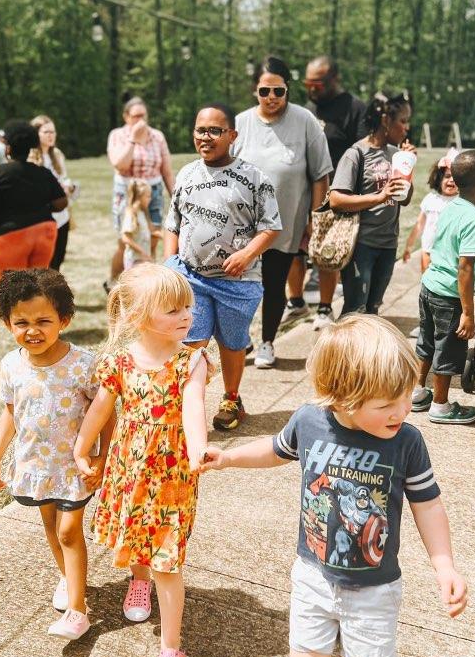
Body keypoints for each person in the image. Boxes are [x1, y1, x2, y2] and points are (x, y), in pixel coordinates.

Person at [199, 315, 467, 657]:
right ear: (341, 398)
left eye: (407, 396)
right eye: (387, 403)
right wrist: (231, 456)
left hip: (375, 586)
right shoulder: (310, 421)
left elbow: (427, 503)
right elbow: (276, 450)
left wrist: (443, 564)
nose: (402, 410)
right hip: (313, 574)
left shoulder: (406, 442)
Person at [73, 264, 214, 657]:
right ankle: (138, 581)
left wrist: (198, 448)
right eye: (172, 309)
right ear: (138, 316)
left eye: (187, 307)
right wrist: (82, 447)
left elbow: (194, 409)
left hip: (172, 477)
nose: (185, 316)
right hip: (128, 469)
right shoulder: (118, 361)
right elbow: (100, 410)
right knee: (135, 535)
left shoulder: (192, 360)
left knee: (167, 560)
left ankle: (172, 649)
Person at [0, 269, 113, 641]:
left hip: (74, 465)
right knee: (52, 528)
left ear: (64, 320)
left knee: (70, 531)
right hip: (35, 465)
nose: (32, 330)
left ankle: (78, 610)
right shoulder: (11, 365)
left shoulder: (82, 364)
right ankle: (70, 579)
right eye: (21, 322)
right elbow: (10, 412)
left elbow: (106, 414)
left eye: (43, 321)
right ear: (7, 323)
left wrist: (101, 456)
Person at [163, 102, 281, 430]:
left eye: (215, 131)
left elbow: (271, 226)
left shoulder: (254, 178)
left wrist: (246, 255)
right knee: (191, 344)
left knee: (232, 343)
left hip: (238, 283)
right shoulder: (186, 173)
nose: (207, 137)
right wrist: (170, 264)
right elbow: (172, 223)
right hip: (192, 278)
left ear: (232, 135)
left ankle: (231, 397)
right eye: (201, 130)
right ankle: (186, 409)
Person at [233, 55, 332, 369]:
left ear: (288, 90)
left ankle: (267, 342)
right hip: (242, 225)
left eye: (278, 91)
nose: (272, 98)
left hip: (285, 222)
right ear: (255, 91)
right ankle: (242, 338)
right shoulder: (240, 123)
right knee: (241, 284)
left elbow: (320, 174)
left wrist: (315, 217)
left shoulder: (305, 122)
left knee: (273, 284)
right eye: (265, 91)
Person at [411, 149, 475, 424]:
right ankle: (441, 405)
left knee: (426, 342)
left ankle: (418, 391)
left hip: (429, 286)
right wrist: (468, 314)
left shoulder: (450, 208)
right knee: (448, 349)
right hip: (449, 295)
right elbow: (465, 269)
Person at [291, 56, 368, 326]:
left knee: (327, 248)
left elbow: (363, 152)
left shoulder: (355, 108)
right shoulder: (305, 109)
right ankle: (296, 302)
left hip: (335, 192)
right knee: (295, 249)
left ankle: (325, 308)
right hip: (302, 190)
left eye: (317, 84)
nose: (311, 89)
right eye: (307, 84)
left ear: (334, 79)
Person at [329, 92, 415, 316]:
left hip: (388, 244)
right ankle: (342, 351)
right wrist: (378, 197)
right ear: (386, 121)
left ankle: (365, 352)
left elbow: (403, 200)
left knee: (373, 308)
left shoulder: (396, 154)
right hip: (361, 245)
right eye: (403, 121)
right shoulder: (356, 154)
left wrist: (408, 168)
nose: (406, 128)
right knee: (355, 308)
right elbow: (336, 200)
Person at [0, 120, 66, 277]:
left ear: (8, 148)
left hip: (10, 234)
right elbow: (61, 203)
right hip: (44, 230)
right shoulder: (43, 172)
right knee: (37, 284)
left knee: (11, 289)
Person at [106, 97, 175, 286]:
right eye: (135, 116)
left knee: (152, 238)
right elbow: (120, 165)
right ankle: (113, 282)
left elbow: (167, 171)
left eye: (143, 115)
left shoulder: (157, 136)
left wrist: (177, 198)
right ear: (126, 117)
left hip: (152, 192)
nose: (140, 120)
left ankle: (145, 283)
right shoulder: (117, 135)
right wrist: (133, 140)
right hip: (128, 193)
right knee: (126, 241)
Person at [29, 115, 75, 272]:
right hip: (43, 217)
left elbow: (64, 177)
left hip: (62, 217)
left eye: (53, 132)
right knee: (42, 263)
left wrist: (68, 186)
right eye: (46, 132)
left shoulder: (57, 154)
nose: (51, 135)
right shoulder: (32, 157)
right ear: (36, 134)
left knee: (58, 259)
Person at [402, 150, 459, 273]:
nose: (451, 180)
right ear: (439, 179)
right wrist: (408, 247)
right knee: (427, 280)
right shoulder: (430, 199)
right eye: (447, 176)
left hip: (450, 253)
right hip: (428, 250)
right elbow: (419, 226)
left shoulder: (460, 202)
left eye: (455, 177)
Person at [121, 179, 161, 269]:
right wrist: (143, 252)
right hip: (134, 261)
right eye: (148, 196)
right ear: (139, 196)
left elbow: (145, 232)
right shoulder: (131, 214)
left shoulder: (142, 213)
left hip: (142, 260)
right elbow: (126, 238)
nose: (150, 199)